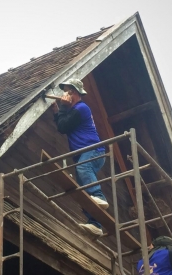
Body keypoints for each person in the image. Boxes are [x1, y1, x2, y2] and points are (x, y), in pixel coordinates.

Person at [51, 78, 108, 238]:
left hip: (92, 150)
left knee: (83, 168)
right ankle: (95, 224)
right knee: (83, 189)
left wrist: (62, 107)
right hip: (86, 153)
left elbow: (63, 127)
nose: (64, 95)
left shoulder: (81, 108)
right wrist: (57, 112)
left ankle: (98, 196)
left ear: (73, 92)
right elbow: (63, 123)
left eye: (66, 91)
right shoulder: (72, 111)